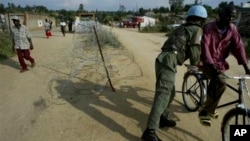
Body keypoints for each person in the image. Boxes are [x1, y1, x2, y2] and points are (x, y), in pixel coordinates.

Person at [141, 5, 208, 141]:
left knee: (170, 93)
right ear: (202, 20)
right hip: (169, 60)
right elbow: (195, 50)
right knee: (163, 95)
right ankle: (149, 131)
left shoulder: (182, 28)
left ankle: (162, 117)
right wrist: (198, 64)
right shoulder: (197, 30)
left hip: (162, 59)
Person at [198, 3, 250, 127]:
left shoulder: (232, 29)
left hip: (219, 63)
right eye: (228, 16)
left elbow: (239, 47)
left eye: (233, 17)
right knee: (220, 82)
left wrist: (246, 67)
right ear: (220, 15)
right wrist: (210, 64)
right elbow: (205, 47)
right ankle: (204, 111)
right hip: (205, 62)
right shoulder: (209, 28)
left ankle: (211, 106)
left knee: (219, 81)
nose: (231, 19)